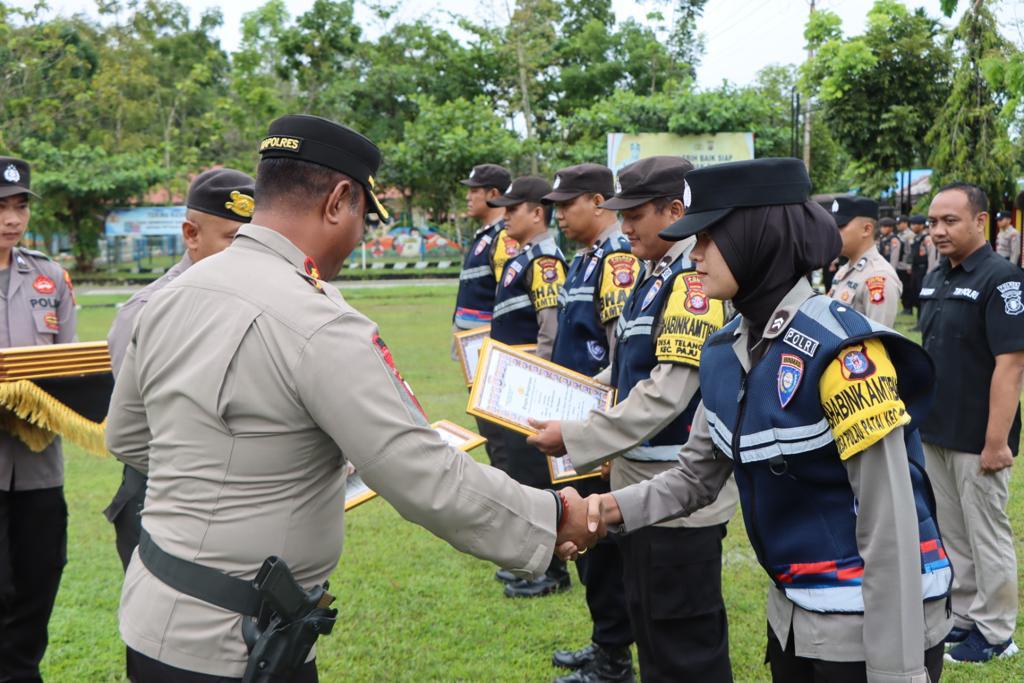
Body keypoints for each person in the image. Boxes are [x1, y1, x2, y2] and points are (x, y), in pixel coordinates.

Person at [104, 114, 599, 682]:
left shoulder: (169, 296)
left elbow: (127, 437)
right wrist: (556, 516)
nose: (361, 234)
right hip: (237, 645)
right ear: (339, 200)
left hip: (151, 615)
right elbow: (425, 477)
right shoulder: (319, 322)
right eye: (364, 214)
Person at [569, 158, 953, 683]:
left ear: (758, 238)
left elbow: (891, 529)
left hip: (872, 630)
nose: (696, 256)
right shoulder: (728, 352)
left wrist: (899, 672)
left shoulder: (843, 356)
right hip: (796, 615)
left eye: (707, 239)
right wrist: (600, 510)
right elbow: (694, 478)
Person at [530, 156, 738, 683]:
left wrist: (578, 435)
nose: (624, 227)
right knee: (652, 633)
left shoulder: (693, 285)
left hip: (677, 496)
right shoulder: (653, 276)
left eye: (636, 215)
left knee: (683, 645)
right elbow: (625, 372)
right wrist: (573, 397)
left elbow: (667, 395)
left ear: (675, 209)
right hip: (638, 485)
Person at [103, 167, 255, 571]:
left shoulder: (256, 305)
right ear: (192, 235)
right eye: (232, 240)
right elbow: (135, 428)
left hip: (240, 502)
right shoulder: (146, 312)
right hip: (162, 501)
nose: (248, 254)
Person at [918, 182, 1024, 664]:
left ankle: (998, 632)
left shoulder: (1000, 278)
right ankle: (964, 616)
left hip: (979, 438)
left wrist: (997, 441)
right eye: (933, 222)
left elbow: (1012, 364)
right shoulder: (938, 275)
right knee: (952, 531)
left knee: (987, 533)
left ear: (980, 222)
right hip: (936, 429)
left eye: (949, 221)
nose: (937, 230)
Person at [540, 163, 637, 681]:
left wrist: (607, 438)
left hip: (594, 424)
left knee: (601, 541)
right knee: (587, 541)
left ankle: (613, 659)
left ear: (598, 202)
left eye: (566, 204)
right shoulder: (584, 260)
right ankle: (605, 642)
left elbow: (620, 357)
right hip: (574, 420)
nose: (558, 214)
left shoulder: (617, 260)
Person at [0, 156, 78, 682]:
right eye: (1, 207)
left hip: (37, 466)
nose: (12, 218)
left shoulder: (49, 277)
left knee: (38, 576)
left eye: (20, 205)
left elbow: (69, 370)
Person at [486, 176, 571, 598]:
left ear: (537, 212)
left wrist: (534, 384)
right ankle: (535, 564)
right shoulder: (525, 256)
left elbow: (550, 329)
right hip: (512, 386)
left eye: (512, 208)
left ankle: (551, 571)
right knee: (518, 475)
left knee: (536, 479)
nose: (504, 216)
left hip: (528, 389)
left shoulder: (545, 262)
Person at [453, 164, 518, 474]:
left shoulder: (504, 237)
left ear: (494, 194)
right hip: (474, 351)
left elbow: (505, 299)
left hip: (489, 351)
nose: (468, 197)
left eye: (474, 190)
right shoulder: (487, 235)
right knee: (490, 433)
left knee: (499, 435)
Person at [826, 196, 901, 327]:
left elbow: (878, 340)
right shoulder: (845, 270)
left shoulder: (878, 276)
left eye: (840, 226)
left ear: (867, 229)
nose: (833, 233)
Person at [907, 214, 937, 325]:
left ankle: (922, 322)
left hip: (923, 269)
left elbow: (932, 256)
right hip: (916, 269)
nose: (912, 226)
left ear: (921, 225)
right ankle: (918, 321)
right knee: (915, 293)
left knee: (922, 295)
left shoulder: (927, 238)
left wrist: (930, 271)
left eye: (914, 224)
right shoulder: (916, 238)